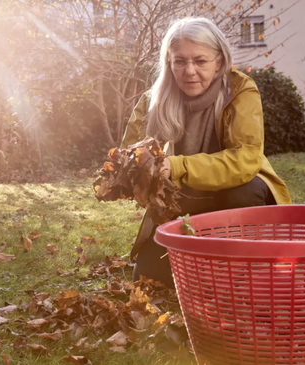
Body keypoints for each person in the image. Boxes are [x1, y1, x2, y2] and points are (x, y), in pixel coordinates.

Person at [120, 17, 292, 288]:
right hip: (182, 204)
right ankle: (202, 261)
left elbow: (245, 159)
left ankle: (246, 267)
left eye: (200, 61)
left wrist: (176, 167)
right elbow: (130, 156)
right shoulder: (153, 101)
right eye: (180, 61)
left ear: (219, 62)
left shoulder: (240, 91)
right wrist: (136, 173)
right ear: (169, 62)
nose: (189, 71)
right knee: (149, 278)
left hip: (234, 196)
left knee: (244, 190)